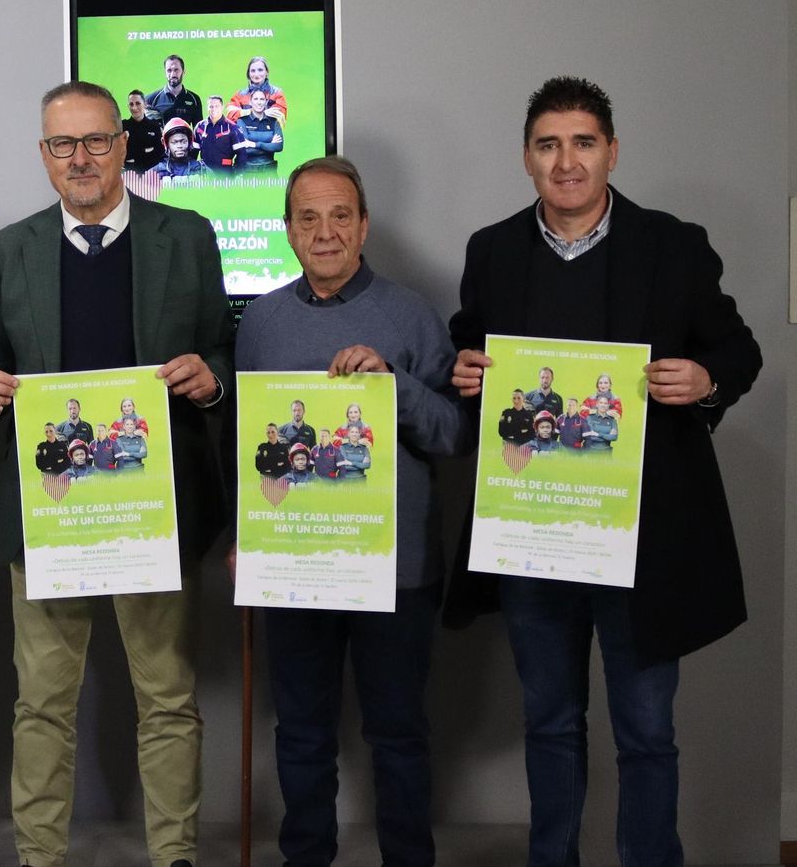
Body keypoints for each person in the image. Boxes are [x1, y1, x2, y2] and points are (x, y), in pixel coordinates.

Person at [448, 76, 761, 866]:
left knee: (647, 732)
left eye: (583, 143)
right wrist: (467, 372)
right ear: (527, 157)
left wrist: (707, 381)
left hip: (643, 540)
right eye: (549, 144)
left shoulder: (674, 245)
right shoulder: (492, 250)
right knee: (550, 724)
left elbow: (738, 349)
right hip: (534, 536)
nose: (566, 161)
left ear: (611, 152)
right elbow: (469, 347)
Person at [0, 80, 232, 867]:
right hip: (51, 510)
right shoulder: (11, 248)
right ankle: (39, 857)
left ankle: (175, 855)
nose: (79, 159)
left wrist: (209, 376)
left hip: (153, 505)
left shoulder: (184, 235)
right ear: (43, 154)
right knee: (42, 704)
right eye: (61, 144)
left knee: (168, 701)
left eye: (94, 141)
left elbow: (223, 346)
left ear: (123, 143)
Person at [232, 155, 465, 866]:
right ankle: (307, 857)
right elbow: (249, 448)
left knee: (397, 735)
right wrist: (248, 535)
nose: (324, 232)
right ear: (287, 231)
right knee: (300, 734)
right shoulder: (261, 323)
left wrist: (392, 385)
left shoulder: (411, 315)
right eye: (308, 217)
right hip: (295, 568)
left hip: (396, 572)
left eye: (340, 216)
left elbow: (455, 434)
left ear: (363, 225)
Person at [144, 53, 202, 127]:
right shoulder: (151, 100)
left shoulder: (194, 99)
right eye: (169, 70)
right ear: (165, 73)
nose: (173, 74)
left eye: (176, 70)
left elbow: (198, 132)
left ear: (184, 72)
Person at [228, 55, 289, 123]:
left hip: (270, 133)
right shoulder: (240, 95)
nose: (256, 74)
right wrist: (256, 112)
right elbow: (230, 116)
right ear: (248, 74)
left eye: (260, 70)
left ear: (267, 72)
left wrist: (243, 113)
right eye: (253, 71)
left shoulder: (276, 93)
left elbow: (280, 116)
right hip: (244, 133)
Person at [235, 90, 284, 171]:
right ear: (250, 102)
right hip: (248, 171)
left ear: (266, 102)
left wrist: (254, 144)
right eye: (256, 99)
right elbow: (244, 150)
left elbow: (279, 146)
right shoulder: (241, 121)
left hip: (270, 171)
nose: (259, 102)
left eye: (262, 99)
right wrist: (270, 145)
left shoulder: (274, 122)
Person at [193, 95, 241, 172]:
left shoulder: (232, 128)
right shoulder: (200, 127)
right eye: (211, 106)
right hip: (205, 172)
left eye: (216, 106)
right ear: (207, 108)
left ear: (222, 107)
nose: (213, 109)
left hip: (225, 173)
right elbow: (193, 152)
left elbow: (241, 153)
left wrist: (237, 172)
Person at [122, 89, 164, 174]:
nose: (134, 107)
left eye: (138, 103)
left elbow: (160, 153)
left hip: (152, 175)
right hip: (129, 175)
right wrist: (146, 151)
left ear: (145, 104)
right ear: (128, 106)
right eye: (131, 104)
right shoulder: (123, 126)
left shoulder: (154, 126)